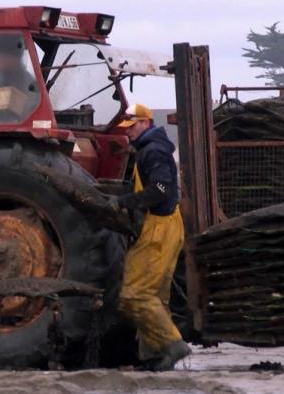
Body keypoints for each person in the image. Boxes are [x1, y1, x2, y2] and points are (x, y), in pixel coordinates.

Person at [111, 103, 191, 371]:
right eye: (127, 128)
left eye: (132, 126)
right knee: (156, 297)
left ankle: (172, 345)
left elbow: (160, 188)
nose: (129, 132)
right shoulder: (151, 147)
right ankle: (154, 357)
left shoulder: (153, 151)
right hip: (168, 224)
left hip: (159, 227)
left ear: (146, 123)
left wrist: (125, 202)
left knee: (135, 294)